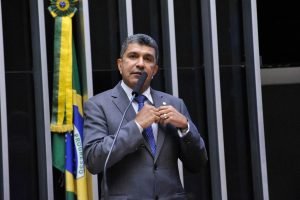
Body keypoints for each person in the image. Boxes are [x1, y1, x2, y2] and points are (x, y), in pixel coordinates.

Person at [83, 33, 207, 200]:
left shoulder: (175, 104)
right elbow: (93, 160)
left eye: (148, 59)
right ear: (120, 65)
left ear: (154, 70)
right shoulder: (98, 105)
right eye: (133, 56)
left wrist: (185, 127)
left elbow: (197, 163)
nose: (140, 64)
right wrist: (136, 126)